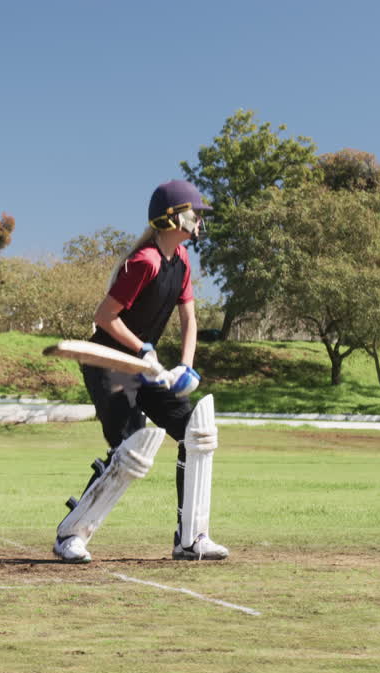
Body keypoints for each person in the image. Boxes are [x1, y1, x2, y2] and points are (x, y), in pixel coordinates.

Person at [53, 179, 228, 564]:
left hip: (143, 366)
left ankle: (191, 539)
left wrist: (187, 365)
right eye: (195, 213)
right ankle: (71, 535)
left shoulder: (180, 260)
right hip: (108, 362)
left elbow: (190, 319)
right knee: (131, 448)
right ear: (174, 217)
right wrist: (143, 347)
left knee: (195, 433)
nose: (199, 220)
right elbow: (104, 317)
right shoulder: (144, 262)